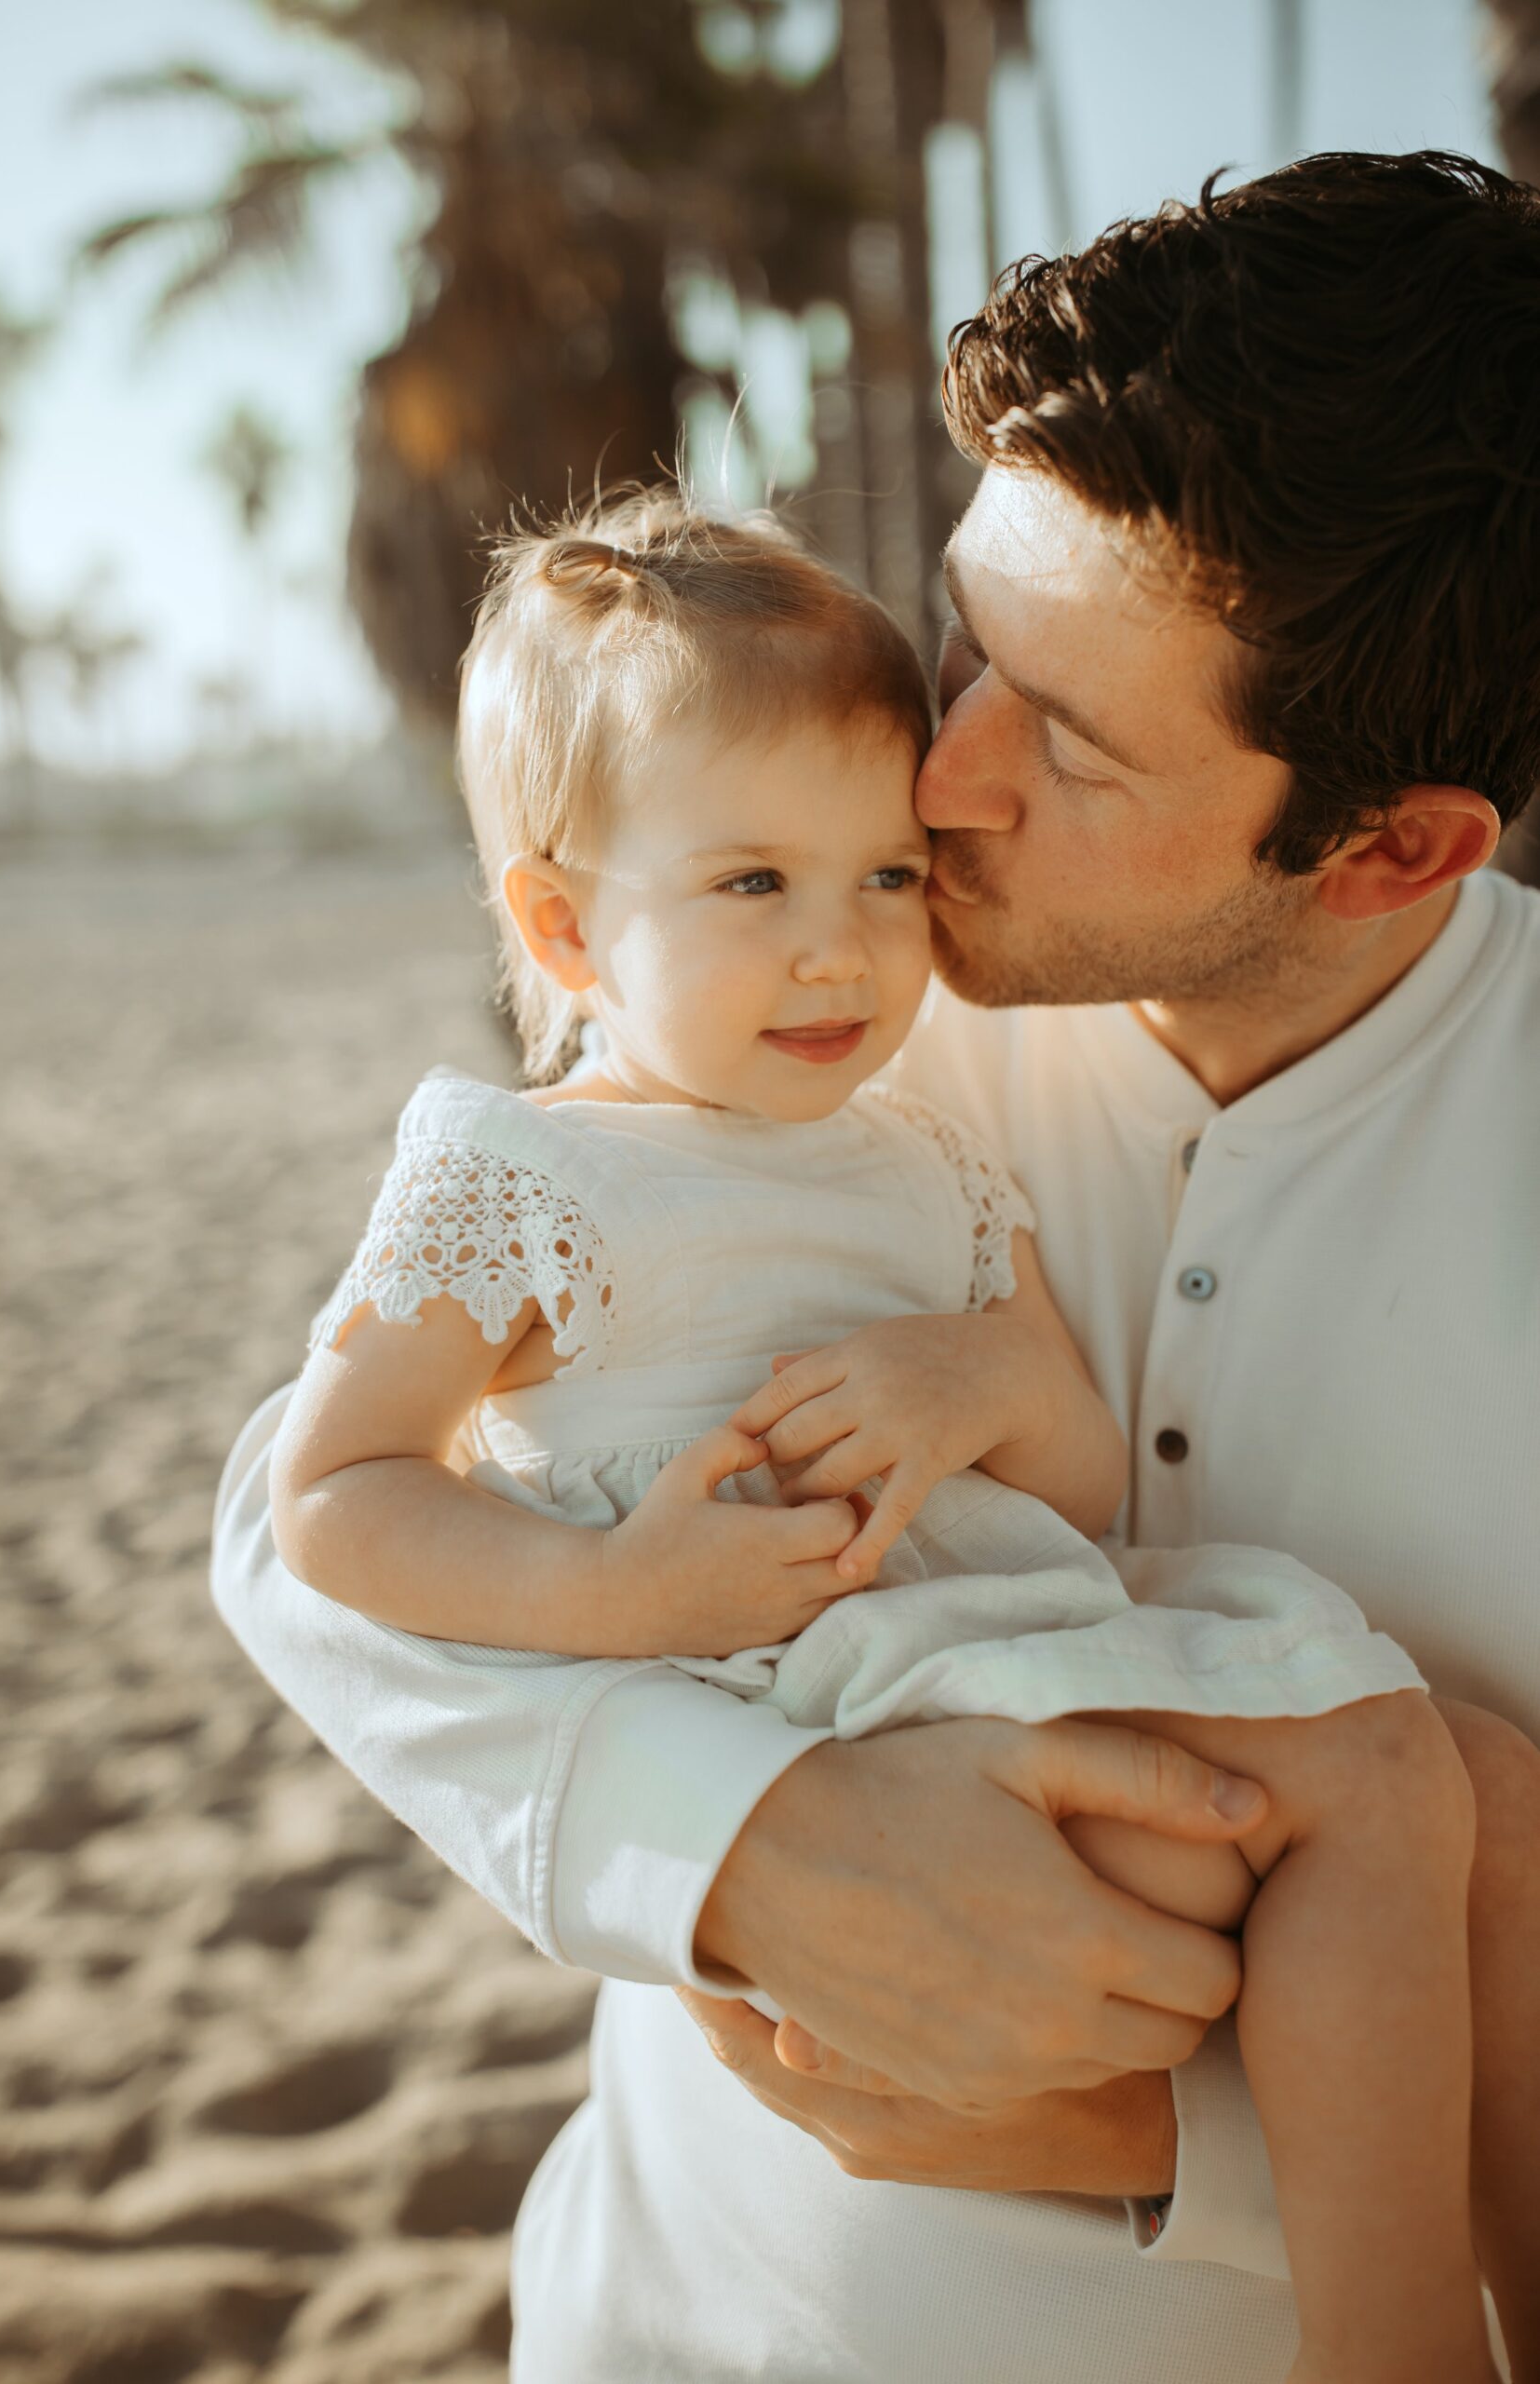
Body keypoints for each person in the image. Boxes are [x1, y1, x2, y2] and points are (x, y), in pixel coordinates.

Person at [212, 149, 1540, 2381]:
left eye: (1074, 739)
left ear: (1387, 845)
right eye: (961, 646)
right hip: (657, 2323)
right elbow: (290, 1521)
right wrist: (731, 1845)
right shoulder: (839, 1044)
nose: (932, 778)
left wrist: (1153, 2122)